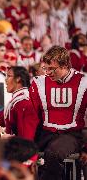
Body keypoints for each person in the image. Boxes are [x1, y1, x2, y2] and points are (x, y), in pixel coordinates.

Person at [29, 45, 87, 180]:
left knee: (53, 154)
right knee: (18, 151)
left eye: (52, 69)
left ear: (65, 64)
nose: (48, 72)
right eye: (45, 68)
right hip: (44, 133)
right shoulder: (38, 83)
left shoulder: (83, 82)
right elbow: (32, 116)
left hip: (70, 135)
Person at [4, 66, 39, 140]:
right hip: (14, 148)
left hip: (21, 150)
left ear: (18, 79)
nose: (5, 79)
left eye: (9, 76)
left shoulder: (24, 102)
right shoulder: (16, 101)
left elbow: (26, 139)